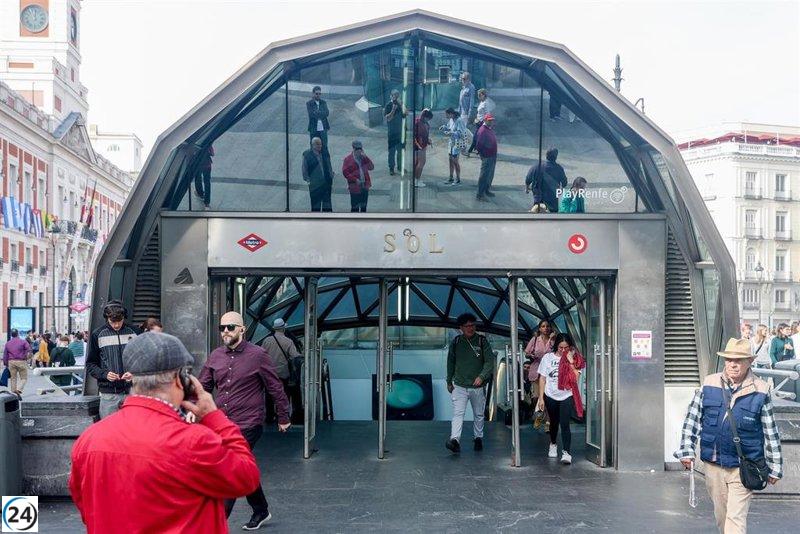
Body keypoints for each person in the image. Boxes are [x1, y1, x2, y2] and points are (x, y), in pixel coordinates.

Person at [69, 332, 261, 533]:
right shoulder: (192, 441)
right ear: (180, 381)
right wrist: (214, 417)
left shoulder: (89, 439)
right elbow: (246, 477)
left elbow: (85, 504)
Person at [675, 338, 782, 534]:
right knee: (722, 516)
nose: (733, 364)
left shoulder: (761, 389)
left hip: (744, 466)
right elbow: (693, 418)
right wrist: (686, 449)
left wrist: (775, 466)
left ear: (750, 361)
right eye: (729, 359)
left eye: (739, 360)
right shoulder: (709, 383)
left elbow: (770, 430)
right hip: (713, 464)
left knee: (735, 519)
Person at [199, 311, 291, 530]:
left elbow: (274, 386)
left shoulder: (258, 355)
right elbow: (203, 387)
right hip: (222, 423)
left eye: (231, 327)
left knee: (230, 466)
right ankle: (261, 510)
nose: (226, 332)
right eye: (222, 328)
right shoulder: (216, 356)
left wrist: (283, 415)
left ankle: (216, 524)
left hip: (249, 422)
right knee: (241, 467)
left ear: (242, 329)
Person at [445, 313, 494, 454]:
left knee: (478, 414)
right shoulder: (456, 343)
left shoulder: (482, 341)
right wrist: (449, 381)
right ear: (461, 327)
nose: (470, 328)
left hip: (477, 386)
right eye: (467, 326)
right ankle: (455, 440)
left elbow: (489, 362)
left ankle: (478, 437)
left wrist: (481, 376)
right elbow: (450, 362)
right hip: (459, 385)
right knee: (458, 413)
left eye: (472, 325)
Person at [535, 332, 585, 465]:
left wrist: (570, 362)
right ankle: (553, 443)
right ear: (556, 345)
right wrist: (541, 398)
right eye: (560, 347)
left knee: (565, 423)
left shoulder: (574, 358)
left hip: (566, 395)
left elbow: (576, 378)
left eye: (566, 348)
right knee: (553, 423)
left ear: (570, 347)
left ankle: (567, 452)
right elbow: (542, 378)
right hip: (551, 394)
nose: (563, 350)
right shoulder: (547, 358)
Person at [85, 300, 140, 419]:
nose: (116, 325)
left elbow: (144, 360)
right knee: (109, 431)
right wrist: (104, 374)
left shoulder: (135, 332)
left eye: (119, 321)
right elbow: (91, 363)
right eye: (112, 322)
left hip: (134, 390)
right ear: (107, 318)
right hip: (109, 392)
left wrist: (135, 373)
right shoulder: (98, 334)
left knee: (134, 430)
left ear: (124, 317)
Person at [262, 318, 303, 424]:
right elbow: (295, 356)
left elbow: (261, 355)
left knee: (269, 396)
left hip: (269, 374)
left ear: (274, 328)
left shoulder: (267, 341)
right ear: (283, 328)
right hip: (283, 374)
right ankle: (283, 417)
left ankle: (269, 417)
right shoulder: (288, 341)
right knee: (284, 395)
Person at [526, 147, 569, 213]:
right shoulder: (559, 168)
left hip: (538, 198)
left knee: (537, 215)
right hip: (552, 199)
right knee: (553, 218)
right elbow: (564, 183)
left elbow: (528, 179)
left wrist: (527, 187)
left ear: (546, 156)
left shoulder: (536, 167)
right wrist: (561, 188)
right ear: (556, 157)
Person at [525, 320, 555, 403]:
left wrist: (552, 339)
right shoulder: (535, 340)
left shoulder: (553, 341)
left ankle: (546, 415)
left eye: (547, 326)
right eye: (543, 326)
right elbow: (526, 353)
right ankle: (537, 414)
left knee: (548, 397)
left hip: (549, 372)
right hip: (536, 370)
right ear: (540, 329)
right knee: (536, 397)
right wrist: (531, 355)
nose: (546, 328)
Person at [302, 136, 334, 212]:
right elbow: (304, 169)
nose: (320, 146)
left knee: (327, 206)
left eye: (320, 144)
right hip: (315, 186)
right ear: (312, 145)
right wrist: (308, 180)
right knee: (316, 206)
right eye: (317, 144)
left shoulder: (324, 153)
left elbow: (328, 164)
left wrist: (331, 175)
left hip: (326, 184)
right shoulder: (307, 155)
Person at [342, 140, 374, 213]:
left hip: (365, 185)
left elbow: (371, 167)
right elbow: (345, 173)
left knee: (364, 207)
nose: (359, 151)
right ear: (353, 149)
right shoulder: (348, 159)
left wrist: (366, 157)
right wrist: (355, 179)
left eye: (360, 149)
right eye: (357, 150)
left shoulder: (363, 158)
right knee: (355, 207)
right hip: (355, 187)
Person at [474, 114, 497, 201]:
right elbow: (479, 145)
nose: (491, 122)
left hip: (492, 155)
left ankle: (486, 190)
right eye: (489, 120)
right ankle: (479, 195)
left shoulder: (488, 128)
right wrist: (483, 155)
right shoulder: (482, 130)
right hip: (487, 156)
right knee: (484, 176)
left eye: (492, 120)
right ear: (485, 120)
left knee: (490, 175)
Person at [441, 108, 466, 185]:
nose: (446, 116)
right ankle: (451, 177)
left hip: (457, 143)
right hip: (451, 143)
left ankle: (458, 179)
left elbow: (461, 133)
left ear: (451, 113)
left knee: (455, 161)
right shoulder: (451, 120)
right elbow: (449, 127)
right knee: (450, 160)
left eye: (447, 114)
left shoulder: (459, 120)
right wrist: (444, 127)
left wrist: (451, 133)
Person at [466, 88, 496, 156]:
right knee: (479, 138)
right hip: (479, 122)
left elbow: (487, 114)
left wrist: (483, 122)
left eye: (480, 95)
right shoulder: (482, 102)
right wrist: (476, 119)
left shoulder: (486, 103)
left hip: (482, 123)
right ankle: (478, 150)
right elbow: (480, 113)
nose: (478, 96)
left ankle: (469, 151)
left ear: (484, 95)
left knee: (476, 137)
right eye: (478, 95)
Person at [2, 328, 31, 395]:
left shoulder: (8, 343)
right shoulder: (23, 342)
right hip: (21, 361)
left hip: (11, 362)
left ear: (11, 335)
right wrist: (26, 357)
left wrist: (5, 363)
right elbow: (29, 350)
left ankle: (14, 393)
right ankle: (19, 389)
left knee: (13, 378)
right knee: (24, 378)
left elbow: (5, 355)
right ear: (18, 334)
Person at [384, 89, 406, 175]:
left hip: (401, 132)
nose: (396, 98)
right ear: (391, 96)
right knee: (392, 151)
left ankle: (400, 167)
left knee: (400, 151)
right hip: (392, 133)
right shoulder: (388, 105)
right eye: (394, 96)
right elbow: (388, 118)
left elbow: (406, 113)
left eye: (397, 96)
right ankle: (391, 168)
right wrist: (393, 109)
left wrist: (401, 104)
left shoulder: (401, 105)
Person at [413, 108, 433, 188]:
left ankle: (416, 180)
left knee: (418, 163)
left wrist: (428, 140)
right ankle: (417, 180)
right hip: (420, 146)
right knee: (421, 163)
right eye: (428, 118)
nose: (428, 120)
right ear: (425, 116)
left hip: (420, 145)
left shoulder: (420, 122)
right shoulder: (419, 123)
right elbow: (419, 136)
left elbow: (424, 135)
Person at [194, 144, 214, 209]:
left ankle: (200, 193)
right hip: (207, 165)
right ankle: (207, 203)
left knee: (197, 178)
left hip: (198, 165)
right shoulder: (207, 143)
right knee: (207, 183)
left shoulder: (196, 143)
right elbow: (212, 153)